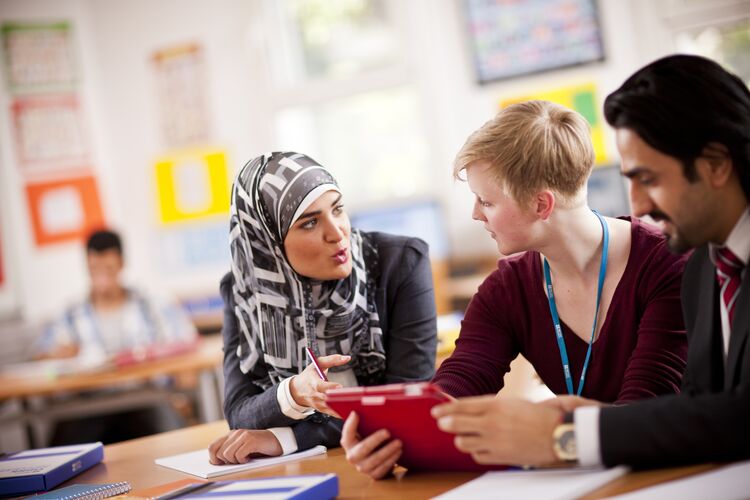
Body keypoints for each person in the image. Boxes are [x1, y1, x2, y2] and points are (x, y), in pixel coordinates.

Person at [431, 54, 750, 469]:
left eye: (648, 179)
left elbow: (713, 413)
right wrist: (408, 430)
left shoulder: (677, 262)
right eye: (630, 179)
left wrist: (565, 435)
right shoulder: (709, 266)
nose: (637, 204)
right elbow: (703, 410)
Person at [341, 100, 689, 478]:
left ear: (542, 204)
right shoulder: (505, 288)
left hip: (669, 473)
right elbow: (459, 383)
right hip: (584, 475)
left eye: (486, 200)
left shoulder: (666, 265)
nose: (476, 213)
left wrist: (545, 433)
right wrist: (399, 438)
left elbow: (644, 408)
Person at [208, 152, 437, 465]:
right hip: (315, 468)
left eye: (338, 209)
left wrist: (288, 437)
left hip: (395, 462)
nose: (337, 232)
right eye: (310, 222)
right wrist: (295, 392)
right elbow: (239, 411)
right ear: (268, 242)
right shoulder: (246, 289)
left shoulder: (401, 262)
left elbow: (403, 403)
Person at [37, 229, 198, 444]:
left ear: (121, 264)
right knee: (60, 446)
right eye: (95, 269)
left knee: (174, 440)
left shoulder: (151, 305)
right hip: (89, 405)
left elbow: (185, 342)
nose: (102, 277)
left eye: (109, 268)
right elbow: (43, 358)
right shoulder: (70, 313)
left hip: (145, 398)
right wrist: (57, 355)